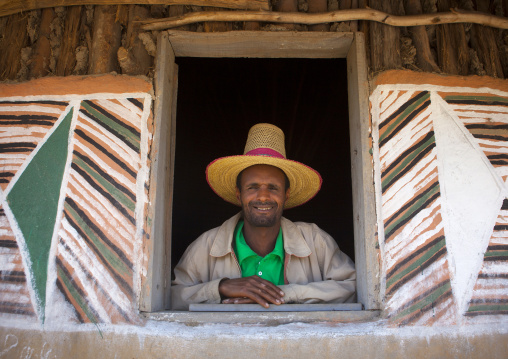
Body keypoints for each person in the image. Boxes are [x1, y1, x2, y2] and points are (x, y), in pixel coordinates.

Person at [171, 123, 356, 310]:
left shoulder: (316, 241)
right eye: (252, 187)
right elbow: (173, 298)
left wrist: (284, 294)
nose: (263, 196)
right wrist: (220, 288)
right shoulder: (206, 246)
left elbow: (352, 288)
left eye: (273, 187)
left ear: (286, 194)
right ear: (238, 194)